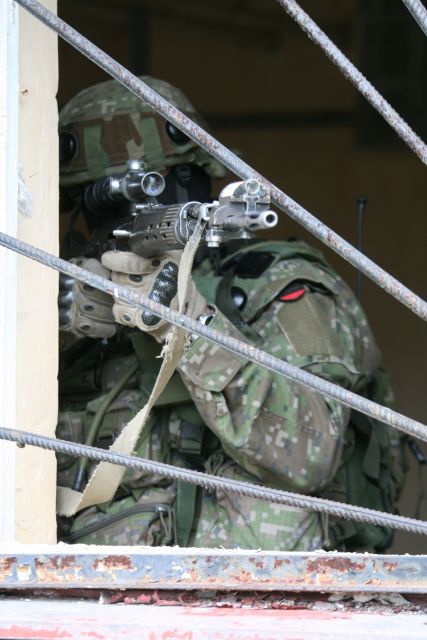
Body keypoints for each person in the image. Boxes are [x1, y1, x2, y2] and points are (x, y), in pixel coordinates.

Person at [57, 76, 405, 551]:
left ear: (192, 181)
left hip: (240, 578)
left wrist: (189, 325)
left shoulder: (277, 286)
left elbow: (309, 454)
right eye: (97, 200)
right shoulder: (56, 293)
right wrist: (52, 327)